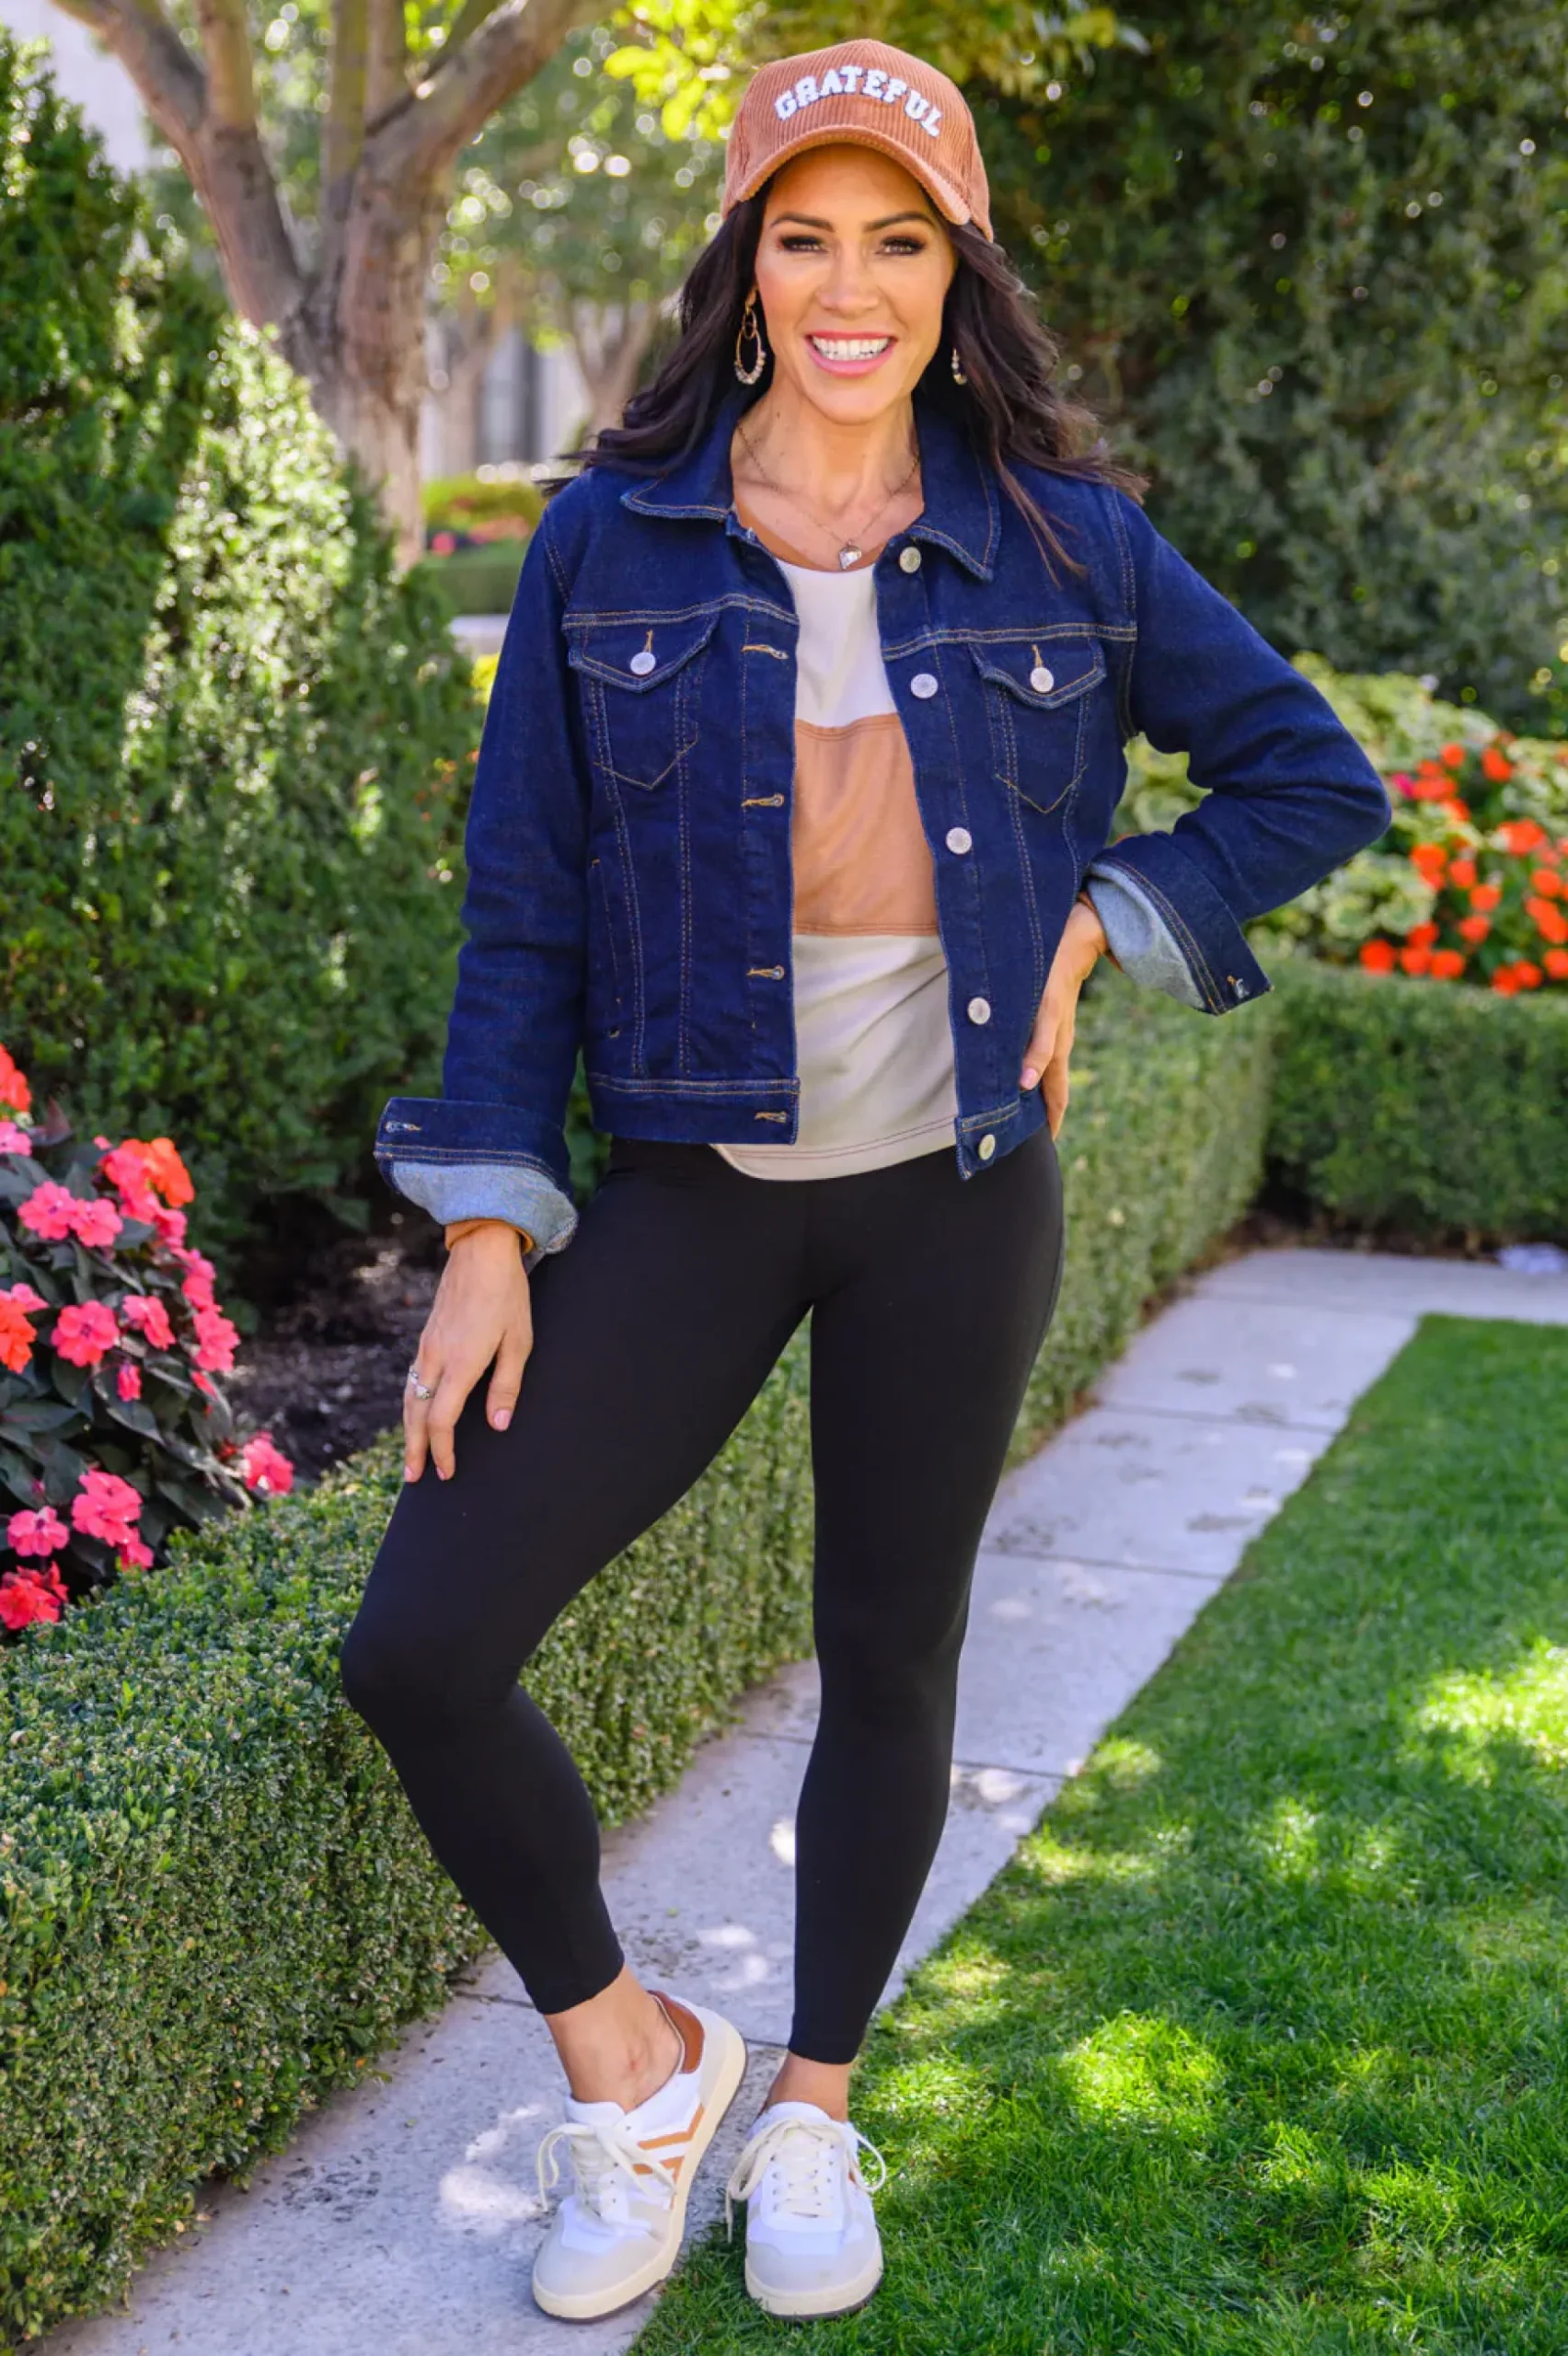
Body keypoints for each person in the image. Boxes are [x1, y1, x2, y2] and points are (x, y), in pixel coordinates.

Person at [341, 35, 1390, 2326]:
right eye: (804, 237)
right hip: (697, 1183)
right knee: (421, 1639)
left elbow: (1311, 777)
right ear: (746, 267)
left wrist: (1098, 918)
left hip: (954, 1186)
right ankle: (638, 2068)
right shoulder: (611, 539)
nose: (850, 287)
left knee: (890, 1649)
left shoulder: (1063, 537)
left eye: (898, 241)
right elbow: (521, 905)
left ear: (956, 267)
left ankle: (813, 2101)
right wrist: (491, 1231)